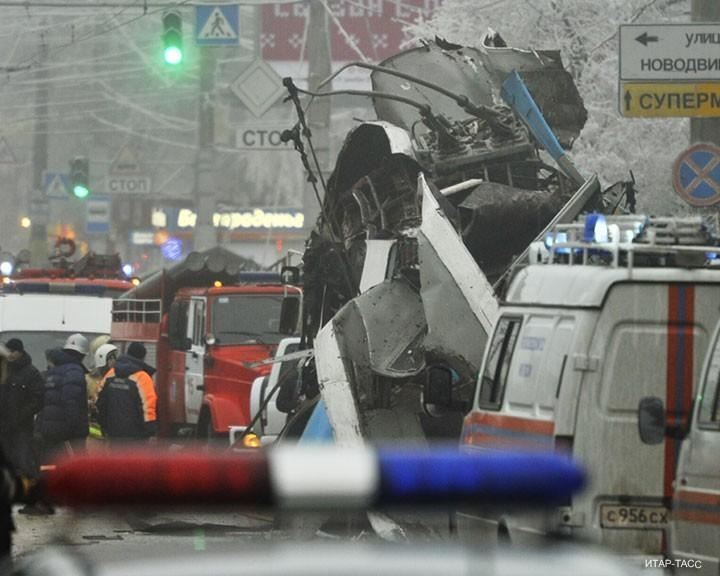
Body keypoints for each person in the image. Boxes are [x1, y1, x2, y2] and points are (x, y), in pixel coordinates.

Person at [36, 334, 90, 461]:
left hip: (50, 429)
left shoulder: (53, 371)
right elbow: (71, 401)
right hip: (69, 433)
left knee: (52, 466)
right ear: (82, 354)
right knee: (79, 468)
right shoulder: (75, 371)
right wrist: (73, 428)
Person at [0, 339, 44, 481]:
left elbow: (38, 399)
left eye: (13, 351)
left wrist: (21, 416)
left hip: (22, 427)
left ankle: (29, 492)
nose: (10, 355)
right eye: (8, 351)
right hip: (3, 426)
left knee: (23, 461)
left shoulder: (31, 373)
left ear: (20, 351)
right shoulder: (4, 371)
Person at [97, 343, 157, 442]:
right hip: (136, 437)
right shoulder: (143, 377)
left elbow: (100, 401)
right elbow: (148, 407)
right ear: (142, 358)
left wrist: (104, 425)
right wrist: (150, 432)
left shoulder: (110, 374)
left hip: (113, 433)